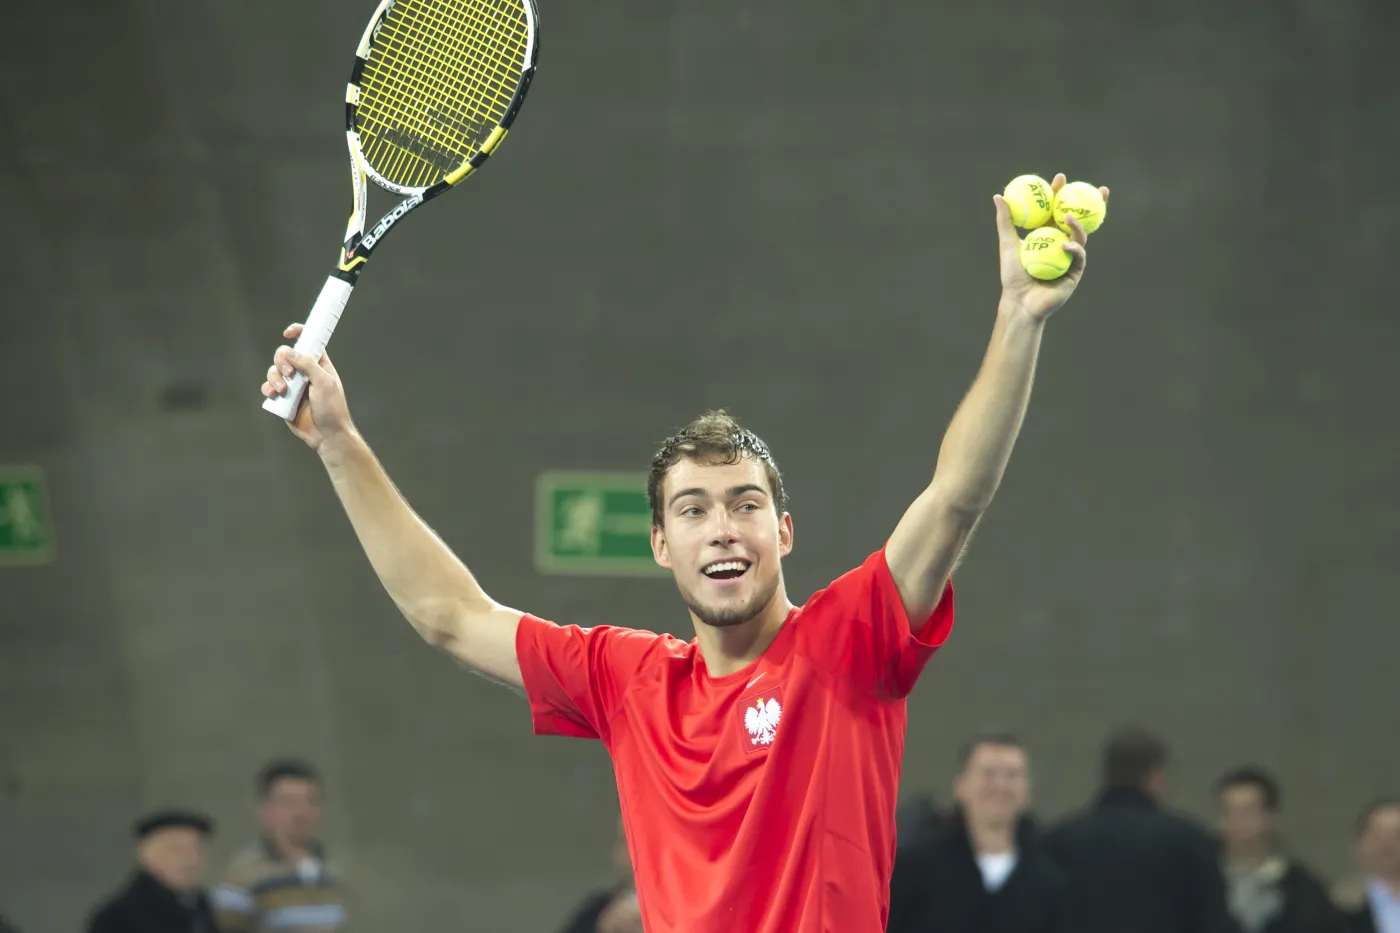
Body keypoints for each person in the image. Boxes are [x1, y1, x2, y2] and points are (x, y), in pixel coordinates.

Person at [257, 176, 1106, 933]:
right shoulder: (627, 679)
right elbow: (448, 614)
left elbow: (956, 496)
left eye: (746, 504)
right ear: (662, 544)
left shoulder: (849, 639)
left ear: (783, 531)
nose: (723, 528)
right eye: (694, 510)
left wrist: (1017, 319)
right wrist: (338, 442)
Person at [1043, 727, 1240, 933]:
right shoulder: (1190, 842)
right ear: (1156, 776)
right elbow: (1213, 923)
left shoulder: (1059, 841)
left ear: (1108, 774)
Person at [887, 732, 1066, 933]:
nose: (1000, 786)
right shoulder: (914, 869)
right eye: (988, 773)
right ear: (960, 785)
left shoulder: (1052, 877)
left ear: (1027, 789)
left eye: (1012, 775)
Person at [212, 759, 347, 933]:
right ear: (265, 811)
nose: (301, 812)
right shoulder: (241, 875)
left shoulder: (331, 872)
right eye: (288, 802)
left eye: (310, 801)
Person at [1215, 766, 1345, 933]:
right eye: (1228, 812)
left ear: (1271, 818)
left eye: (1246, 813)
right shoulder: (1200, 881)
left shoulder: (1303, 891)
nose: (1236, 822)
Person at [86, 808, 217, 933]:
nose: (191, 860)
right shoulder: (119, 917)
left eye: (198, 850)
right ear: (145, 854)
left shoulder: (203, 909)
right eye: (176, 849)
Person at [557, 817, 642, 933]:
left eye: (637, 840)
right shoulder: (599, 911)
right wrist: (604, 927)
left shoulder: (667, 911)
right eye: (625, 840)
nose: (632, 851)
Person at [1334, 798, 1400, 933]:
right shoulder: (1338, 905)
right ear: (1358, 844)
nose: (1386, 845)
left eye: (1396, 835)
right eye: (1378, 835)